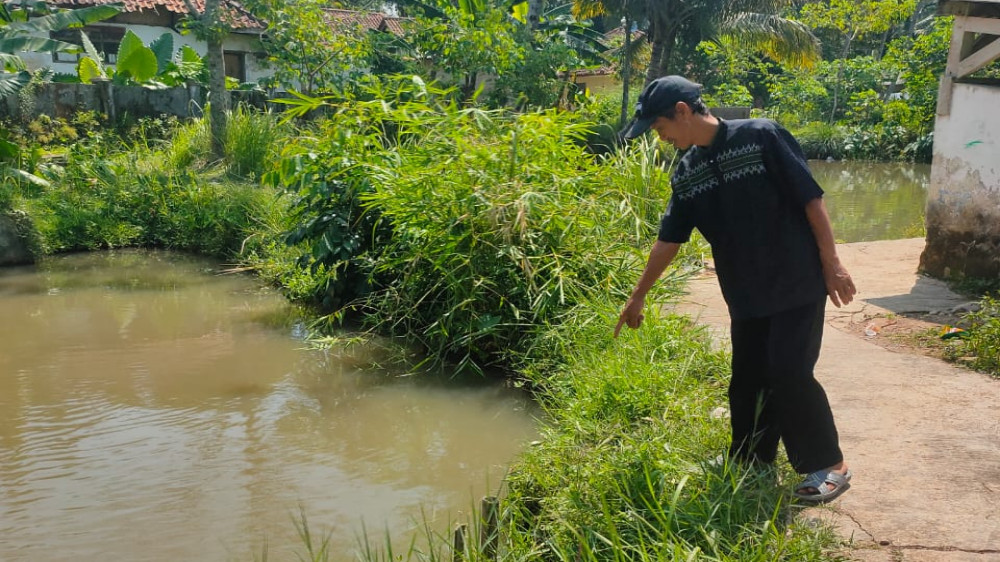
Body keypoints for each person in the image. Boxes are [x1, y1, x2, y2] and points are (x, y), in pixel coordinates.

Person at [613, 75, 856, 503]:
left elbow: (810, 200)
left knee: (789, 372)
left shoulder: (762, 136)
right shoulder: (687, 171)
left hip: (795, 280)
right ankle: (750, 459)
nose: (661, 136)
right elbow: (669, 239)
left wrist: (831, 263)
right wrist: (638, 295)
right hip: (744, 292)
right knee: (746, 380)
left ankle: (828, 464)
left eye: (660, 127)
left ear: (683, 112)